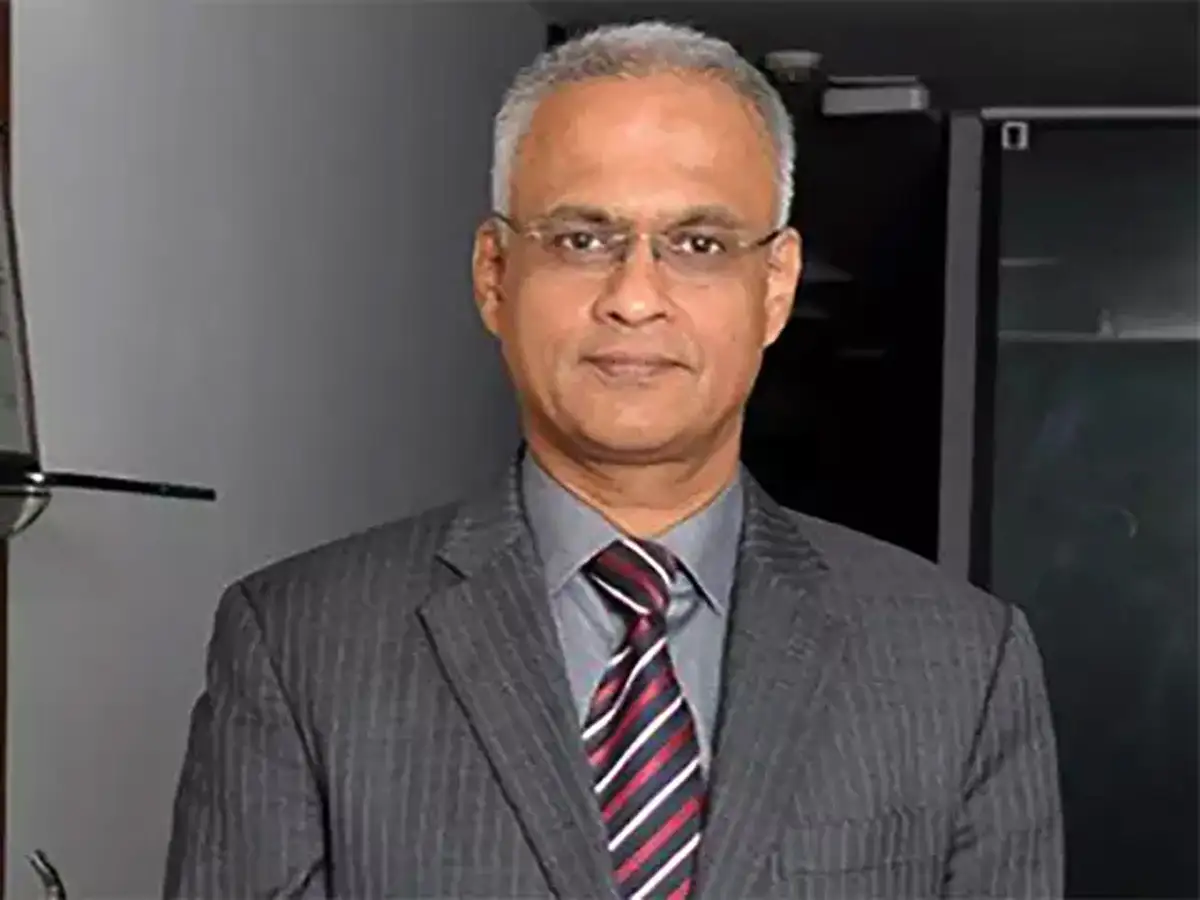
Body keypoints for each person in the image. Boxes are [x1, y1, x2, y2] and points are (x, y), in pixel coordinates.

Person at [163, 21, 1063, 900]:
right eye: (582, 240)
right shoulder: (299, 646)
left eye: (699, 245)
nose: (635, 298)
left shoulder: (960, 665)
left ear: (775, 287)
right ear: (494, 274)